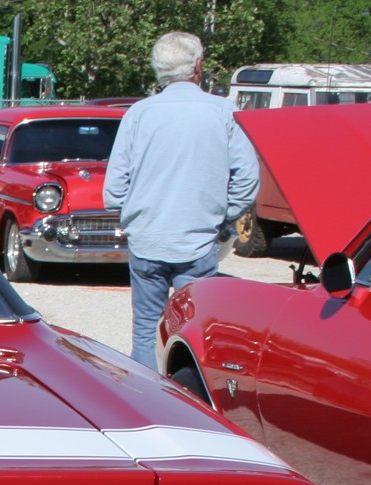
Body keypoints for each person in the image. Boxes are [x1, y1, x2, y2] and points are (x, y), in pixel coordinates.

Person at [103, 31, 258, 367]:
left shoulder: (138, 114)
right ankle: (189, 399)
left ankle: (147, 401)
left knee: (146, 328)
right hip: (199, 240)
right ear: (198, 67)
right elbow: (247, 179)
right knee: (191, 330)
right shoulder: (223, 111)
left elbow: (114, 190)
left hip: (147, 239)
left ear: (159, 70)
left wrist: (132, 217)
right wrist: (224, 216)